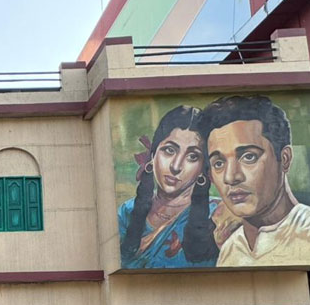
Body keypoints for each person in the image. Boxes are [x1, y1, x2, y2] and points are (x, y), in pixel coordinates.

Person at [200, 95, 310, 266]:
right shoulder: (230, 250)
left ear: (285, 159)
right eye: (219, 163)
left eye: (249, 157)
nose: (231, 177)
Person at [118, 105, 219, 268]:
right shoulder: (126, 213)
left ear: (203, 168)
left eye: (192, 156)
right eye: (169, 150)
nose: (176, 166)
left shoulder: (219, 216)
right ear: (153, 155)